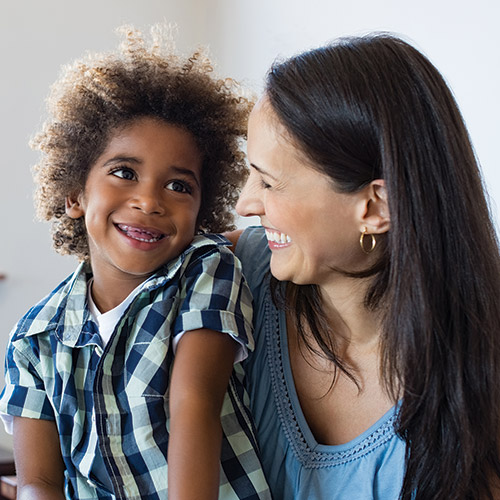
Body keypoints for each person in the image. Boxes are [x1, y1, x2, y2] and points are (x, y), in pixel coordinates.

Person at [0, 26, 270, 500]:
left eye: (179, 185)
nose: (148, 201)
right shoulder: (33, 338)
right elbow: (38, 481)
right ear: (75, 195)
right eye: (124, 173)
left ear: (203, 209)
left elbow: (195, 405)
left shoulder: (206, 270)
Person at [228, 33, 500, 499]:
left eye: (269, 183)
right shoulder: (235, 278)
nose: (245, 203)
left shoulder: (482, 392)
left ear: (376, 206)